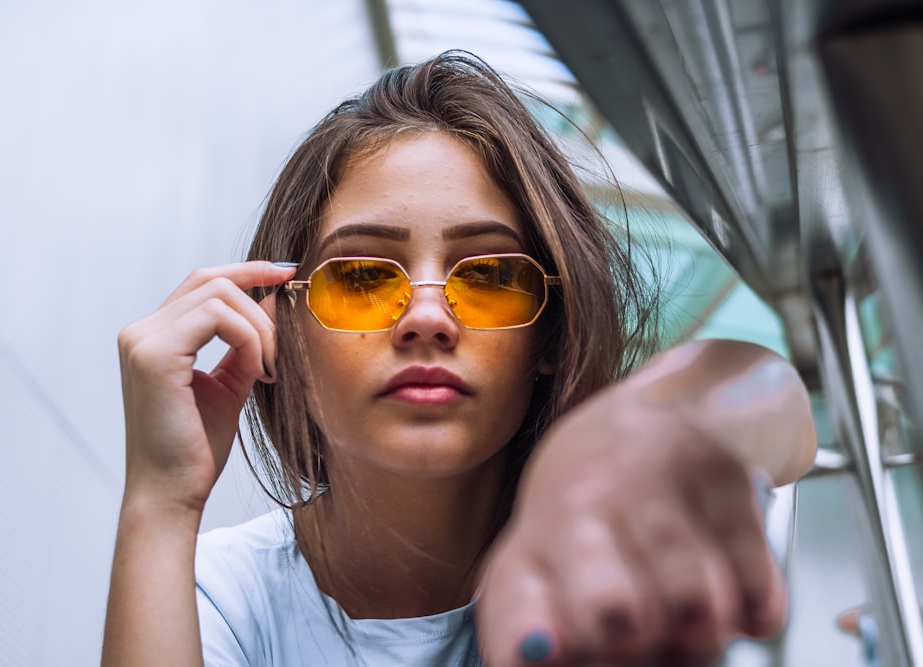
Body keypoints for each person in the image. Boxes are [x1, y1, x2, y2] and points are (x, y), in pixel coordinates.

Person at [101, 51, 817, 666]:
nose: (426, 319)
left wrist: (652, 425)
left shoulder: (596, 557)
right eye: (359, 278)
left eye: (492, 277)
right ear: (280, 330)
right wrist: (161, 502)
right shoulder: (211, 595)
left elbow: (775, 400)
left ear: (549, 337)